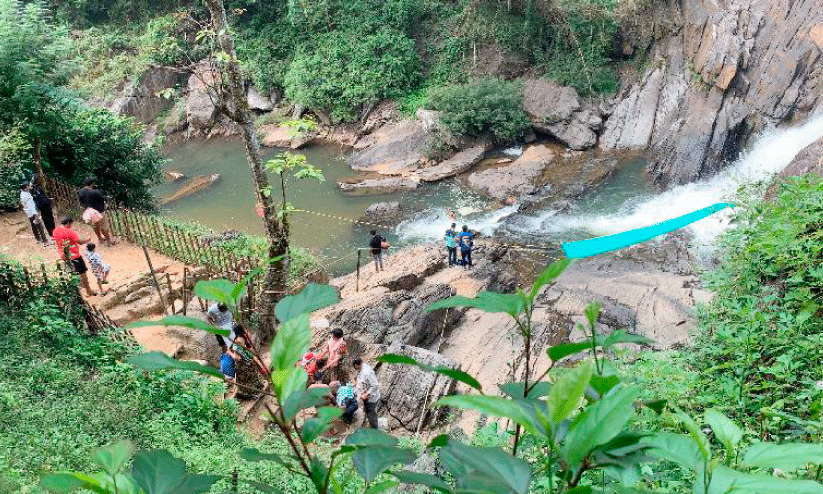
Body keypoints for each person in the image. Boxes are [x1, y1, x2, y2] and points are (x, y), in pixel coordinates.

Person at [53, 217, 95, 296]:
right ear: (68, 223)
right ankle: (88, 291)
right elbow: (79, 241)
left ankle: (78, 293)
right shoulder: (69, 231)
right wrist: (87, 239)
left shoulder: (55, 231)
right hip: (74, 256)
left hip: (64, 256)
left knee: (72, 274)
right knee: (83, 273)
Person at [78, 177, 116, 246]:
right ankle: (108, 241)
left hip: (89, 212)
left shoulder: (81, 191)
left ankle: (100, 239)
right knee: (104, 227)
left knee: (95, 226)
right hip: (99, 211)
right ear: (92, 183)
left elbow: (81, 201)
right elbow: (102, 200)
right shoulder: (96, 192)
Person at [353, 357, 380, 429]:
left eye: (357, 367)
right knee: (366, 412)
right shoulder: (361, 369)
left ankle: (374, 431)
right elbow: (361, 379)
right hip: (363, 395)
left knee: (371, 414)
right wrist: (356, 383)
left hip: (370, 397)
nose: (356, 369)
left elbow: (375, 385)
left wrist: (366, 394)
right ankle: (366, 427)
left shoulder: (368, 372)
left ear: (360, 364)